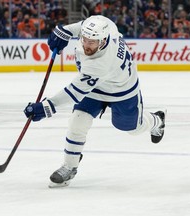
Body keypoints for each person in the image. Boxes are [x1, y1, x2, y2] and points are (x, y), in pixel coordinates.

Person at [24, 15, 166, 188]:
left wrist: (47, 107)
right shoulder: (105, 25)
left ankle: (157, 120)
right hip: (95, 89)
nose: (86, 45)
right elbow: (82, 26)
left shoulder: (101, 63)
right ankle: (70, 166)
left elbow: (74, 92)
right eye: (84, 39)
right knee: (78, 121)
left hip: (121, 89)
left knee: (132, 129)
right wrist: (65, 31)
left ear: (103, 40)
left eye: (92, 42)